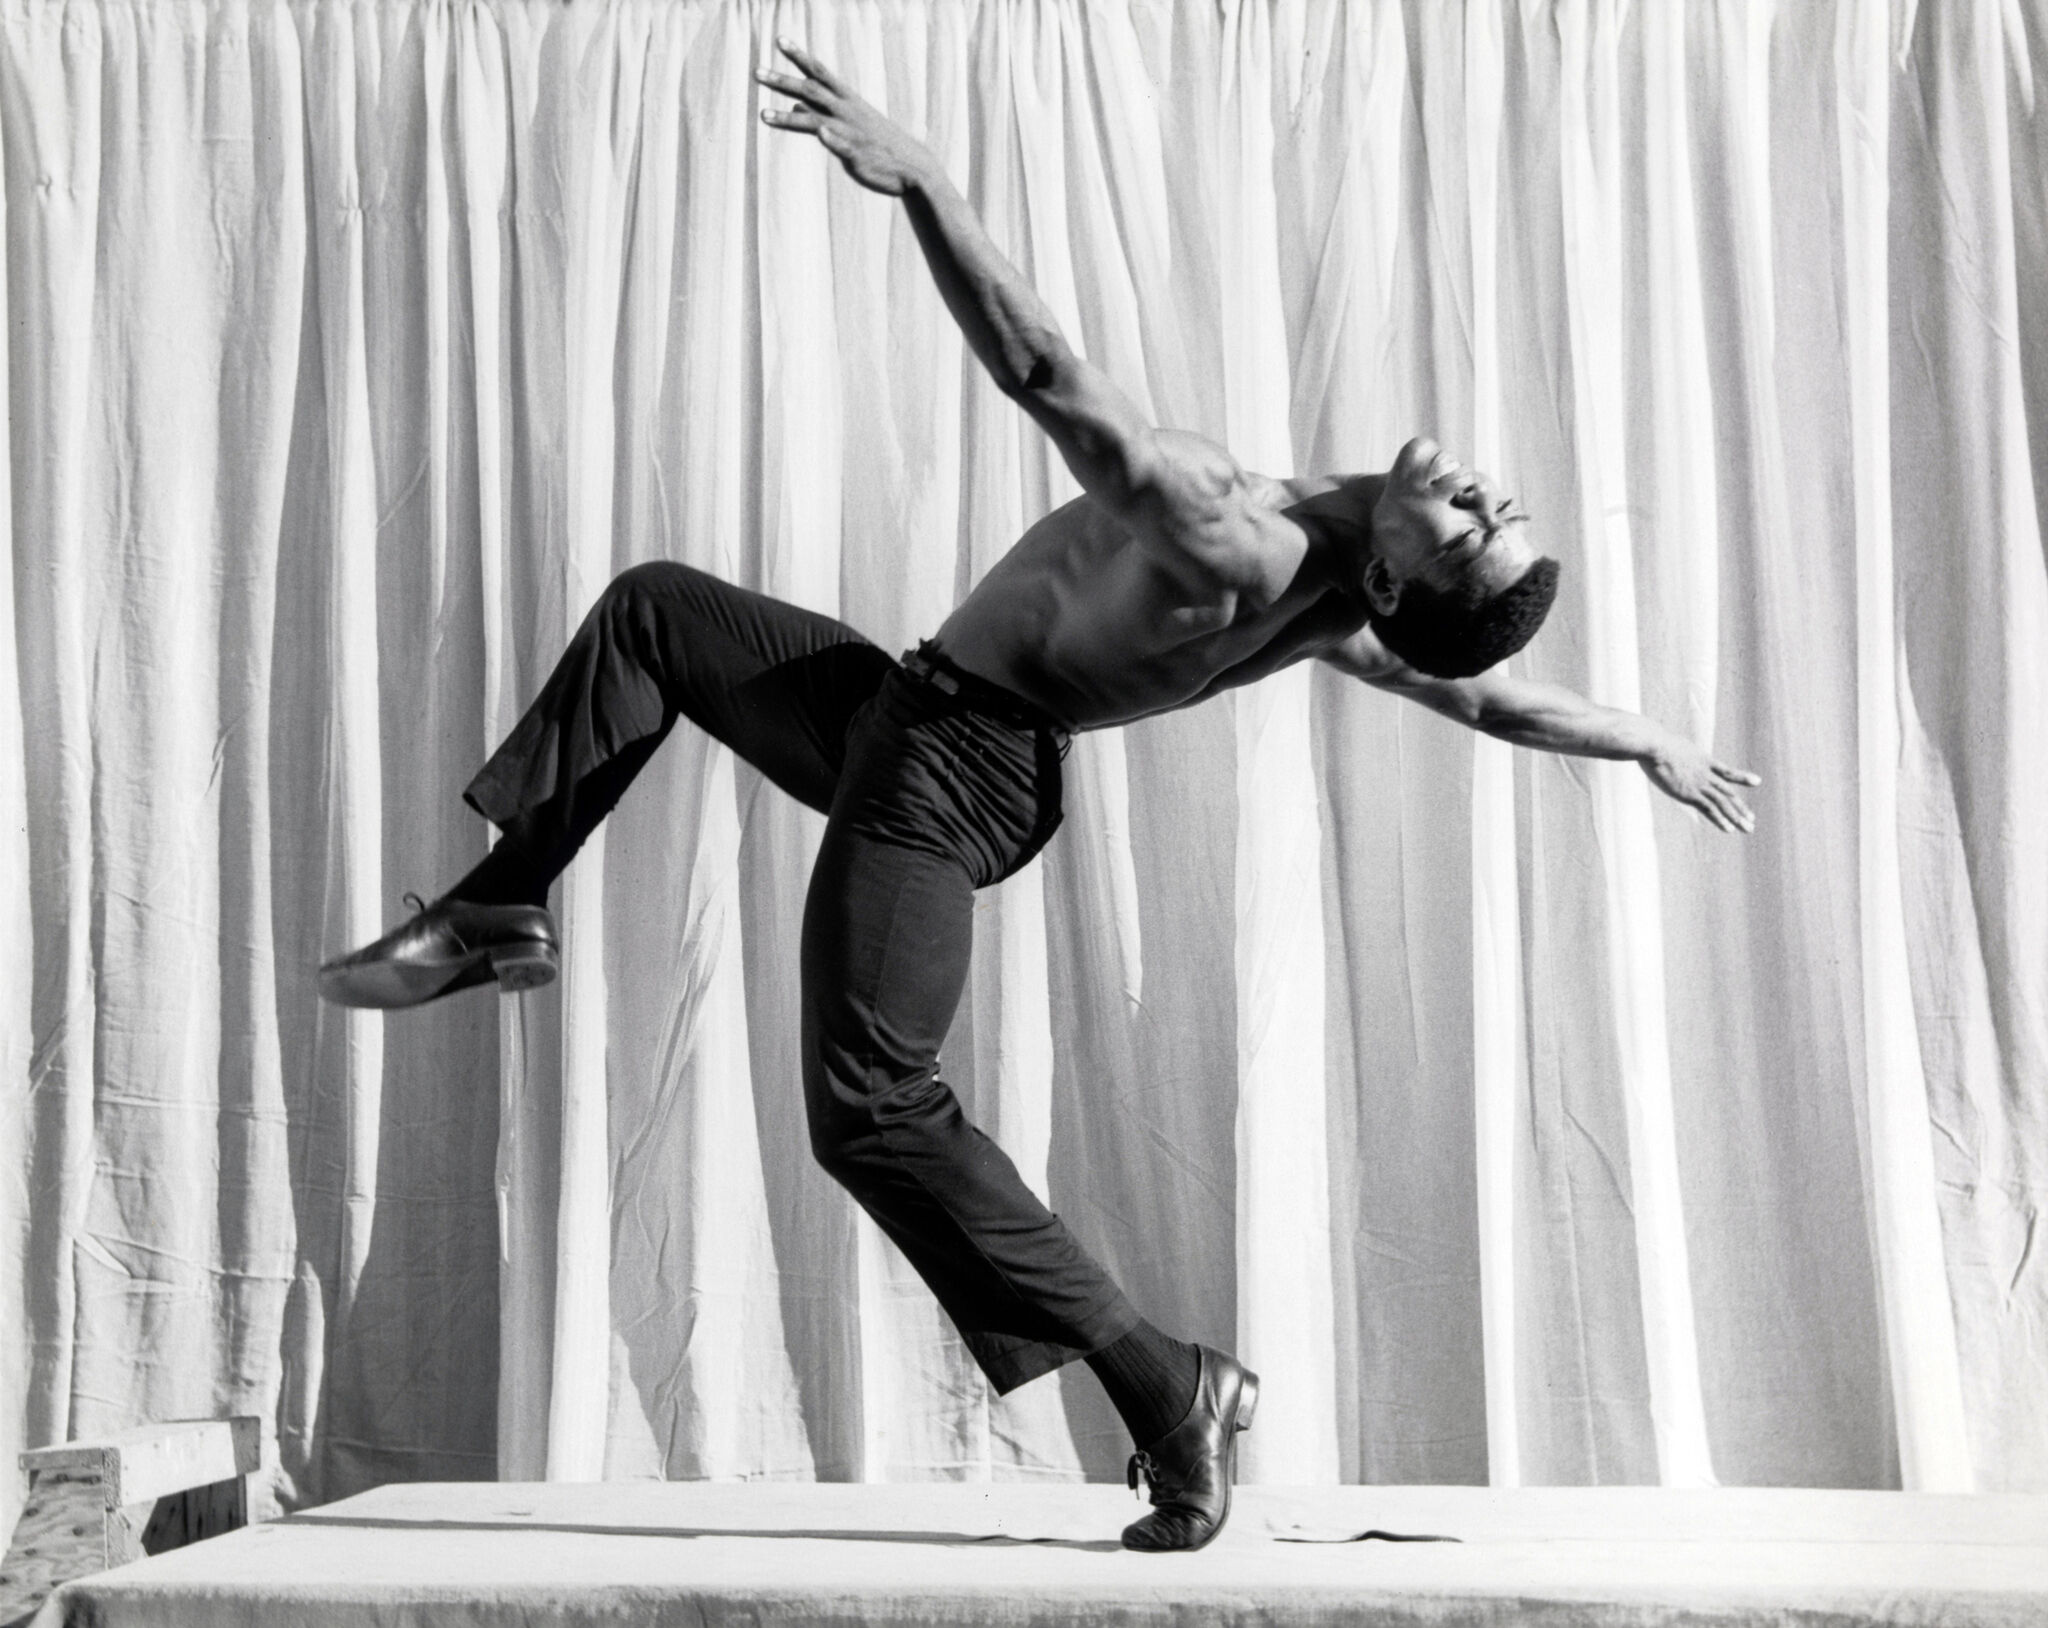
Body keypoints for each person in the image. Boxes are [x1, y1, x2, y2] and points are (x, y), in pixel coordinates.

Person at [321, 42, 1760, 1552]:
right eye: (1498, 503)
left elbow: (1049, 376)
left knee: (872, 1111)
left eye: (1472, 523)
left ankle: (1166, 1389)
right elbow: (1489, 698)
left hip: (952, 766)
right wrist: (1641, 734)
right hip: (915, 721)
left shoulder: (1233, 535)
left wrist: (926, 179)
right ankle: (500, 904)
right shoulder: (1343, 601)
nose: (1479, 486)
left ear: (1404, 571)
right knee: (657, 615)